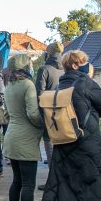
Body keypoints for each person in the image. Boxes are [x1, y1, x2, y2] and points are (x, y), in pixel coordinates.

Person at [41, 50, 101, 201]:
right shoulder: (86, 82)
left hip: (64, 141)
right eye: (83, 62)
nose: (86, 64)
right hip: (87, 141)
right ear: (75, 65)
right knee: (91, 181)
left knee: (67, 183)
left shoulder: (60, 85)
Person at [3, 54, 50, 201]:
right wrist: (43, 124)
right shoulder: (28, 85)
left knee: (17, 181)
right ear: (25, 67)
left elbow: (6, 114)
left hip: (11, 138)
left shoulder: (9, 86)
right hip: (25, 140)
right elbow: (32, 113)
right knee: (28, 185)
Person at [36, 41, 64, 191]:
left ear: (48, 53)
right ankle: (61, 180)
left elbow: (39, 94)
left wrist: (42, 115)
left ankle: (53, 182)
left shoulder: (44, 69)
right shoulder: (65, 69)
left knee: (50, 147)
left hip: (48, 113)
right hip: (63, 113)